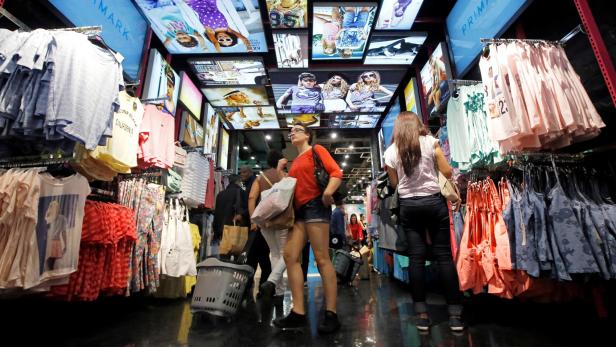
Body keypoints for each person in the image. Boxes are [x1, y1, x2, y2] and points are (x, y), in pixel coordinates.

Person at [384, 112, 464, 332]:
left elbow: (394, 184)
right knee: (444, 257)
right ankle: (455, 316)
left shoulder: (391, 151)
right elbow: (447, 171)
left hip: (409, 207)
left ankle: (421, 316)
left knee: (416, 259)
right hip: (434, 202)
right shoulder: (430, 142)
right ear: (418, 124)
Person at [274, 123, 342, 333]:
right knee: (290, 256)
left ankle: (331, 314)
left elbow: (336, 172)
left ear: (308, 135)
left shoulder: (316, 150)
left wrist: (328, 193)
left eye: (297, 129)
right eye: (291, 131)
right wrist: (279, 172)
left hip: (316, 206)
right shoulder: (295, 163)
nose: (292, 132)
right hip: (300, 212)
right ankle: (298, 312)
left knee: (321, 258)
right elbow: (290, 187)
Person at [248, 150, 288, 303]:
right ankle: (278, 289)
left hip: (264, 221)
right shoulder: (285, 176)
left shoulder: (260, 178)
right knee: (285, 253)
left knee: (274, 254)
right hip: (282, 220)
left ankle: (276, 289)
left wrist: (254, 221)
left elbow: (252, 197)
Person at [240, 166, 271, 297]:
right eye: (241, 172)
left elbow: (252, 199)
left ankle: (250, 287)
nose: (242, 174)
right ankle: (261, 288)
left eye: (244, 172)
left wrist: (253, 220)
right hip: (263, 224)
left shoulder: (257, 181)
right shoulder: (277, 179)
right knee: (261, 257)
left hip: (256, 225)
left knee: (255, 257)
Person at [185, 0, 254, 52]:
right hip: (211, 2)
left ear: (218, 41)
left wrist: (219, 52)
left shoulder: (211, 32)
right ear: (231, 36)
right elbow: (244, 39)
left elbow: (215, 43)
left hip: (195, 3)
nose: (223, 38)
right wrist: (249, 48)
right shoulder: (228, 29)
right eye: (228, 39)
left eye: (221, 40)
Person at [212, 174, 248, 254]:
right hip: (234, 227)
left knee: (223, 252)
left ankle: (222, 265)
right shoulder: (241, 192)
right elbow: (245, 208)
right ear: (238, 182)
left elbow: (216, 212)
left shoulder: (220, 194)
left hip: (221, 228)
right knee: (235, 252)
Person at [44, 200, 68, 271]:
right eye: (52, 207)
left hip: (54, 242)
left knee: (50, 261)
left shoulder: (62, 218)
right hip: (50, 241)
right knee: (49, 262)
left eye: (56, 207)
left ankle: (49, 274)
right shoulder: (49, 218)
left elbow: (64, 232)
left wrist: (66, 245)